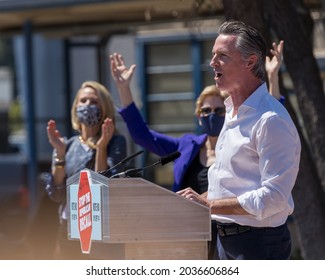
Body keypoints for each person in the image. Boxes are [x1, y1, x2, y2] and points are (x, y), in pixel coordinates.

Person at [109, 38, 284, 259]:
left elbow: (272, 122)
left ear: (228, 112)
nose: (212, 115)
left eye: (219, 111)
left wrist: (273, 77)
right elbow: (143, 136)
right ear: (198, 116)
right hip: (190, 234)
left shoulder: (242, 141)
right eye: (206, 110)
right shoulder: (187, 146)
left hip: (230, 232)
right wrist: (124, 89)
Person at [178, 21, 301, 260]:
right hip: (226, 241)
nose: (212, 62)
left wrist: (209, 205)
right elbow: (230, 185)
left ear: (251, 62)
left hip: (259, 245)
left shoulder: (270, 119)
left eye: (222, 56)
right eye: (213, 55)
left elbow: (274, 198)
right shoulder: (232, 112)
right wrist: (196, 200)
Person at [45, 80, 127, 259]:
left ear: (104, 107)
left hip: (99, 229)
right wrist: (59, 152)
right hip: (69, 226)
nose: (87, 106)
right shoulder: (68, 144)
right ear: (76, 107)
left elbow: (105, 187)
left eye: (94, 102)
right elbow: (56, 194)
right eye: (83, 101)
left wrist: (101, 148)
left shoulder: (115, 142)